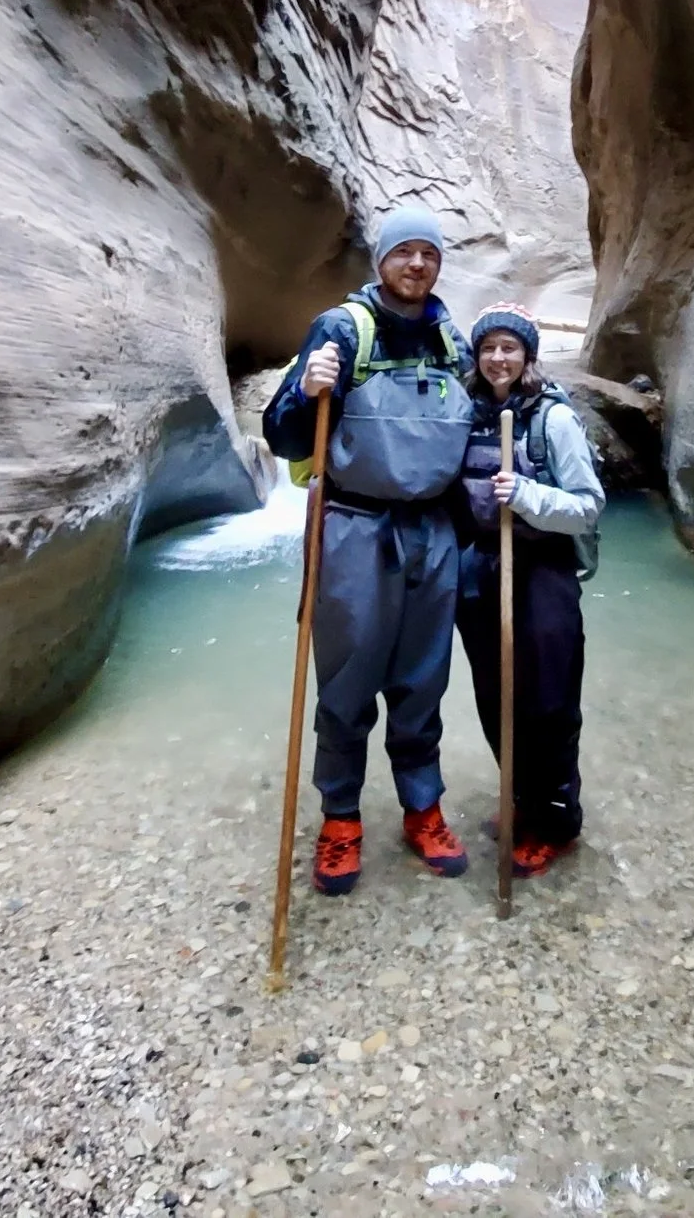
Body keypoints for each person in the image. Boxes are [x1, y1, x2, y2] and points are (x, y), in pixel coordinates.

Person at [261, 204, 476, 896]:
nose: (418, 263)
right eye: (405, 251)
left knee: (423, 680)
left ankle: (422, 806)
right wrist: (306, 387)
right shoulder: (341, 329)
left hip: (433, 533)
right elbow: (285, 436)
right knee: (349, 681)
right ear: (381, 259)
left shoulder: (452, 338)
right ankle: (341, 817)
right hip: (355, 527)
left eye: (429, 253)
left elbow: (487, 411)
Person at [454, 302, 604, 876]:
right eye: (488, 347)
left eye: (509, 348)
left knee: (548, 701)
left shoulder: (553, 420)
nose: (498, 358)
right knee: (496, 696)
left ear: (528, 355)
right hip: (481, 569)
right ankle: (520, 798)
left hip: (541, 570)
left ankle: (557, 821)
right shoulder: (467, 412)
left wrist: (527, 495)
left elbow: (588, 506)